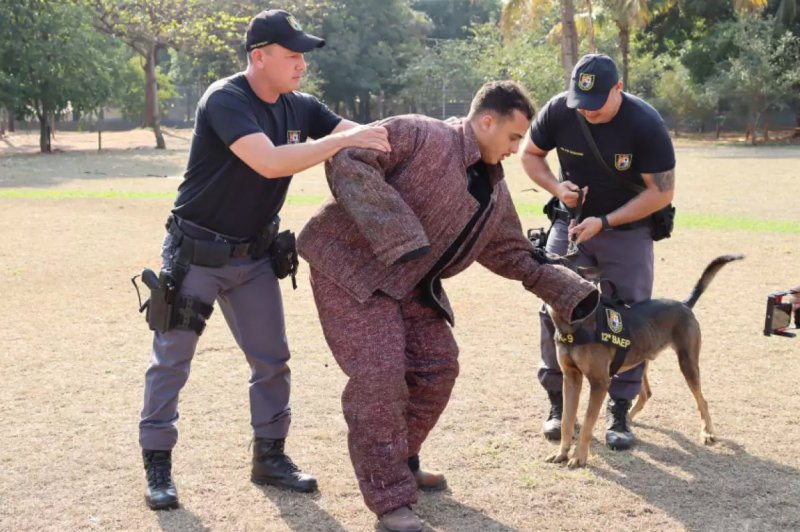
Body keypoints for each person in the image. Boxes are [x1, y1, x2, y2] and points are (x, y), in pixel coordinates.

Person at [297, 81, 599, 532]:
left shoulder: (494, 189)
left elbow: (513, 251)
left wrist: (572, 291)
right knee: (379, 376)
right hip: (350, 269)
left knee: (438, 366)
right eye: (514, 138)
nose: (519, 149)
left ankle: (398, 459)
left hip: (411, 283)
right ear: (487, 121)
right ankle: (391, 500)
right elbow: (349, 160)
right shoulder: (417, 132)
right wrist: (398, 234)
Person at [137, 8, 391, 511]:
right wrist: (341, 141)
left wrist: (440, 133)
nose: (302, 64)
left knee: (272, 361)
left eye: (303, 56)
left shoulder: (302, 107)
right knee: (172, 363)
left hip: (253, 257)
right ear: (260, 57)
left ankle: (270, 458)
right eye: (292, 54)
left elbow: (369, 133)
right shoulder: (225, 99)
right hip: (197, 255)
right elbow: (270, 160)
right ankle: (158, 468)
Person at [520, 53, 676, 450]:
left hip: (627, 231)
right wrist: (558, 188)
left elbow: (662, 192)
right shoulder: (560, 110)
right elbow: (529, 154)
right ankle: (558, 403)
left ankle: (620, 408)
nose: (586, 112)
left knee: (629, 315)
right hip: (569, 225)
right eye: (580, 103)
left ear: (618, 89)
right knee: (552, 308)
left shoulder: (645, 124)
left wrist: (605, 222)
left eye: (596, 103)